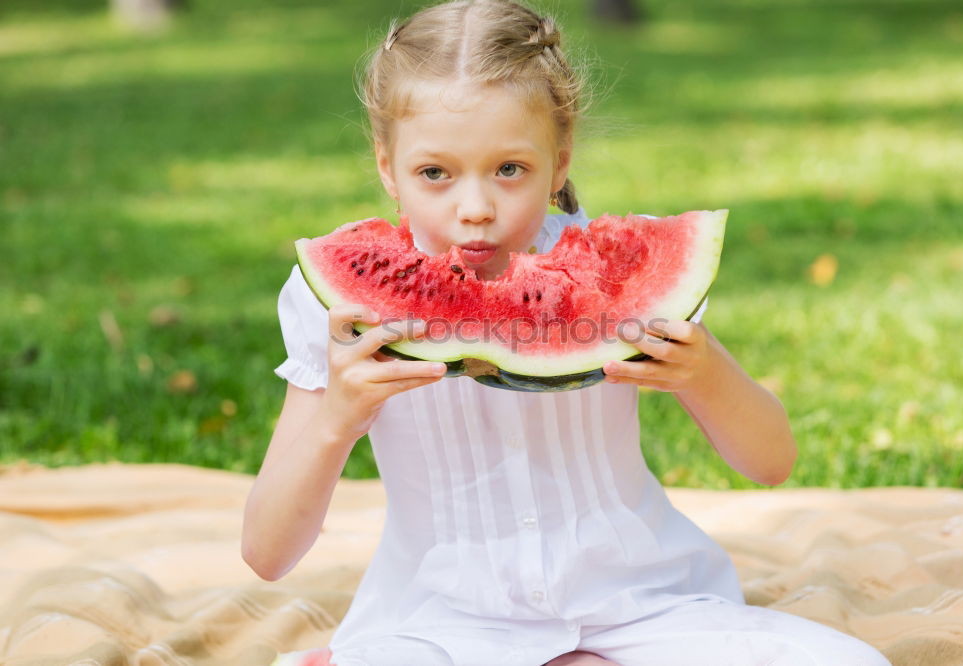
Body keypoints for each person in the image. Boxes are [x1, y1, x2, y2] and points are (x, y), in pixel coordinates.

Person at [242, 1, 892, 664]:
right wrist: (336, 421)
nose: (475, 210)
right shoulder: (331, 310)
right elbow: (267, 554)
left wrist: (706, 374)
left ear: (559, 161)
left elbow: (771, 460)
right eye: (434, 173)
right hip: (441, 626)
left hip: (642, 606)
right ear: (387, 166)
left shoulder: (615, 274)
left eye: (510, 170)